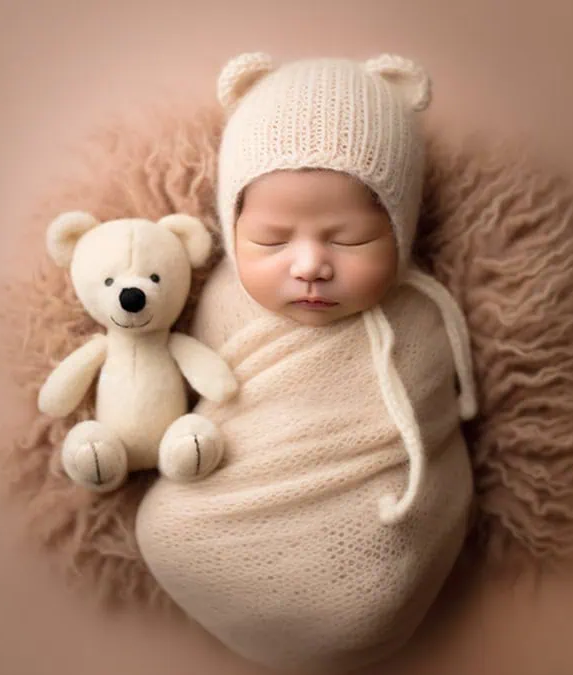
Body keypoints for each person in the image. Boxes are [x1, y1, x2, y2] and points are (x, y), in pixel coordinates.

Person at [135, 52, 478, 673]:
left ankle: (361, 608)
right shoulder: (220, 300)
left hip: (380, 531)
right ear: (231, 226)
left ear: (400, 233)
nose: (310, 264)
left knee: (376, 580)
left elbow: (428, 424)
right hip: (231, 510)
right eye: (271, 239)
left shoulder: (420, 318)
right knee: (163, 527)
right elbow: (205, 409)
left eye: (349, 238)